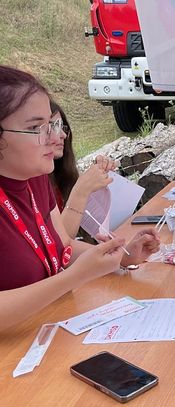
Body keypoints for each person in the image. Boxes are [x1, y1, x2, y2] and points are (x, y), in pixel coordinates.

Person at [0, 65, 161, 332]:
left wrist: (121, 257)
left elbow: (61, 245)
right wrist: (73, 278)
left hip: (45, 330)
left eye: (52, 124)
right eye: (36, 128)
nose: (55, 137)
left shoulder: (35, 178)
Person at [49, 101, 117, 239]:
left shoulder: (61, 174)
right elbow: (58, 243)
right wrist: (82, 190)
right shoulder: (31, 185)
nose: (63, 135)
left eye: (62, 127)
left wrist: (98, 182)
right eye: (53, 126)